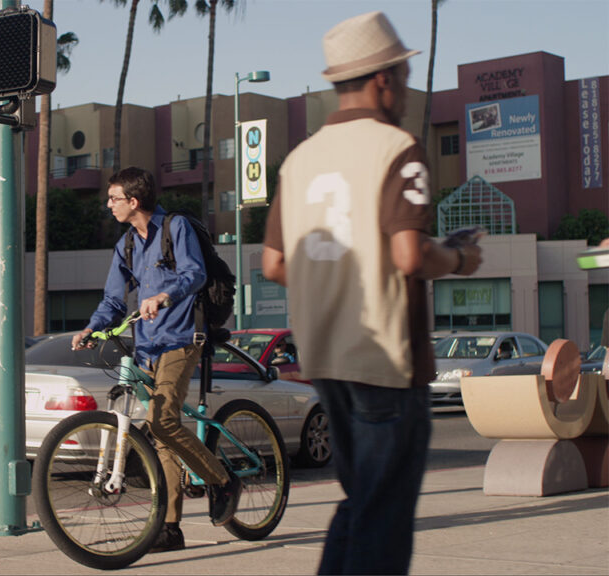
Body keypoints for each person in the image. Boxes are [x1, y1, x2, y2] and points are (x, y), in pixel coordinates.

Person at [261, 11, 482, 575]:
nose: (407, 90)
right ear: (384, 79)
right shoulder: (397, 147)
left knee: (362, 503)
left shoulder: (301, 159)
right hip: (386, 360)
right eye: (403, 77)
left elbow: (274, 263)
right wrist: (458, 258)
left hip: (325, 359)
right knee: (384, 520)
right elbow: (410, 255)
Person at [71, 167, 242, 553]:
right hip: (146, 345)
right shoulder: (127, 244)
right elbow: (114, 300)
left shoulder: (175, 228)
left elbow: (194, 273)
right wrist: (91, 329)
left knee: (162, 421)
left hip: (183, 337)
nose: (108, 204)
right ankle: (170, 528)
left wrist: (164, 297)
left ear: (134, 201)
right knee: (162, 436)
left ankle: (223, 480)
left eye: (113, 198)